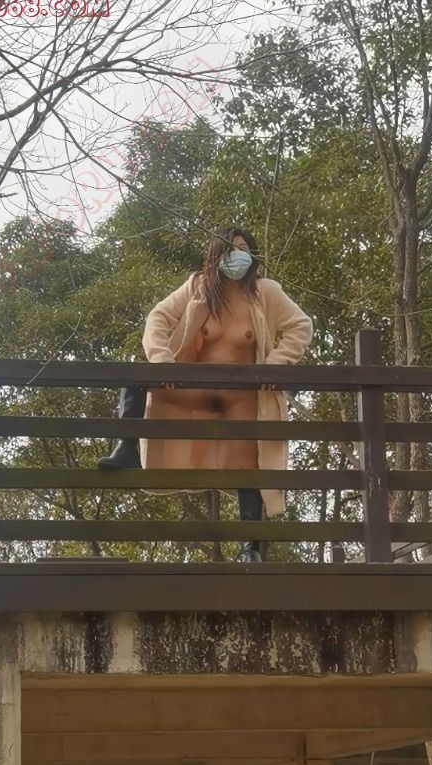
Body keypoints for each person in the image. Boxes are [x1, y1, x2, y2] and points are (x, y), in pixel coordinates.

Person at [98, 225, 313, 562]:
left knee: (248, 461)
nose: (237, 255)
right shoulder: (198, 287)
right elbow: (157, 317)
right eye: (230, 249)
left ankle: (250, 547)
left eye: (243, 248)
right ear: (215, 256)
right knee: (137, 377)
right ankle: (126, 448)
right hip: (194, 390)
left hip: (242, 396)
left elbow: (301, 325)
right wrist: (163, 361)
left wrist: (275, 364)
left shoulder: (265, 292)